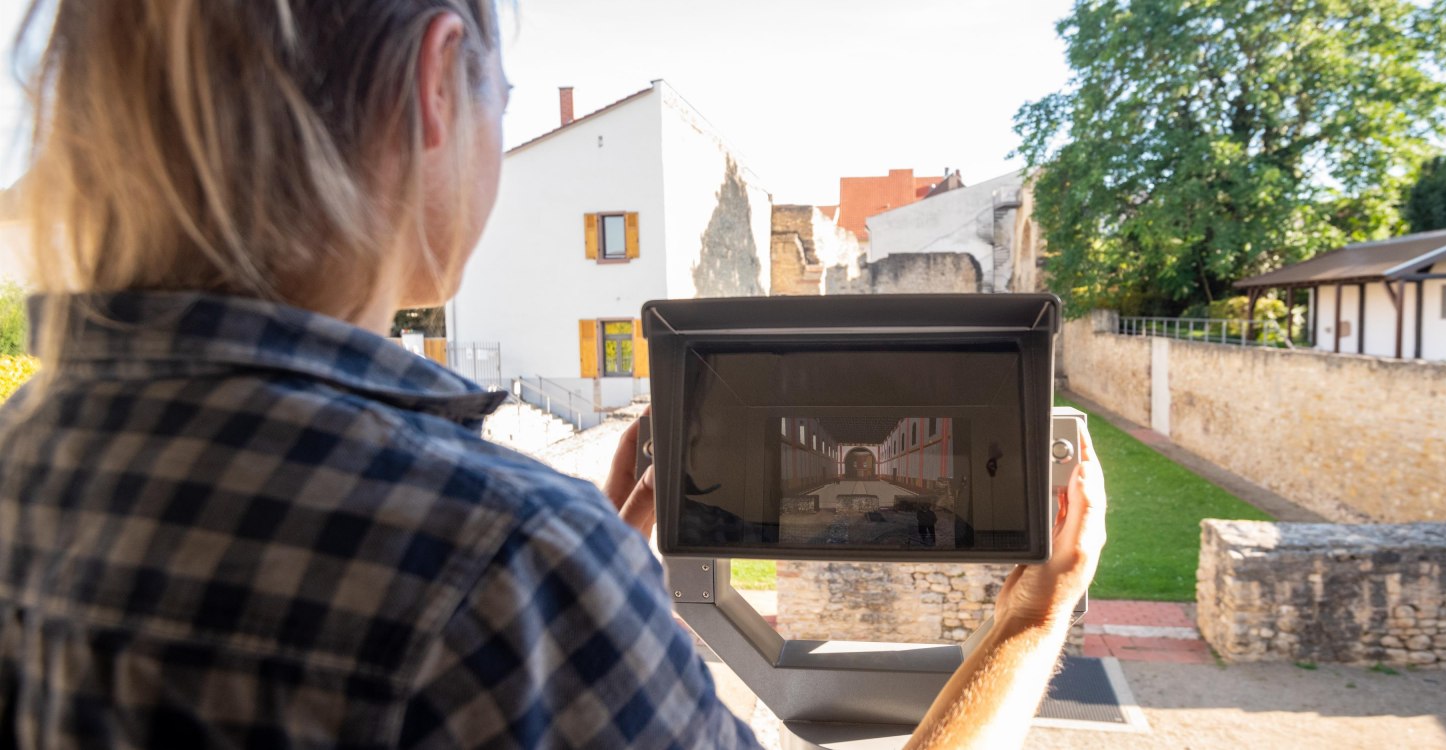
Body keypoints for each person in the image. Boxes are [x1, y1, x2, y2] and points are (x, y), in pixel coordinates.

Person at [0, 2, 1107, 748]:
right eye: (503, 95)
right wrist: (1032, 617)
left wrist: (584, 584)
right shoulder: (502, 569)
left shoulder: (26, 454)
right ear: (438, 84)